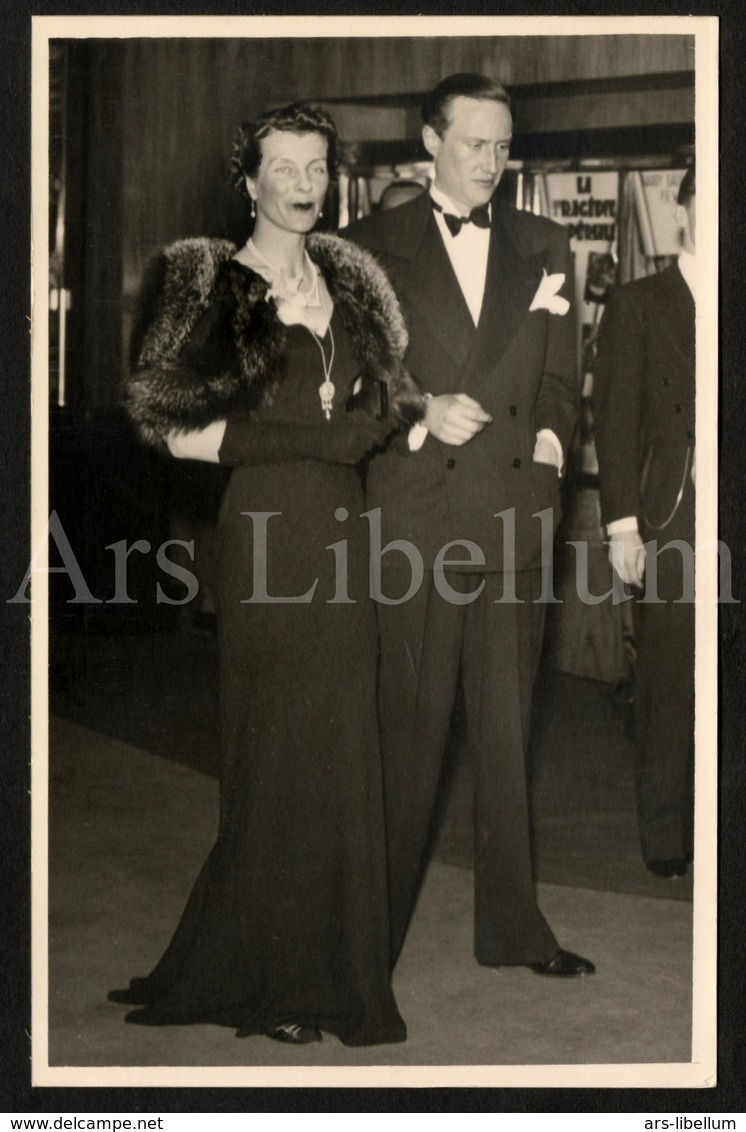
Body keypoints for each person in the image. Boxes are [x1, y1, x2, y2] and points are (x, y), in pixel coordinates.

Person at [108, 102, 425, 1046]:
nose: (302, 182)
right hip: (267, 536)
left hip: (345, 538)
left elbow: (387, 401)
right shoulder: (208, 283)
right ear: (247, 180)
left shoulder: (351, 280)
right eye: (282, 166)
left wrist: (400, 418)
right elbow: (168, 428)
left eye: (317, 166)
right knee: (278, 753)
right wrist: (314, 438)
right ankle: (278, 982)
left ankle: (336, 974)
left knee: (341, 757)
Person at [345, 73, 595, 976]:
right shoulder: (369, 248)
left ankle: (513, 929)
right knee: (407, 740)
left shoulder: (547, 243)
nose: (491, 163)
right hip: (420, 522)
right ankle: (366, 944)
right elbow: (353, 380)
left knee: (505, 737)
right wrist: (420, 410)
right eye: (473, 144)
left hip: (517, 522)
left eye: (503, 146)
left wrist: (553, 455)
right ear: (429, 142)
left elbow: (563, 382)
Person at [593, 164, 696, 879]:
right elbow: (616, 420)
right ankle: (666, 839)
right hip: (675, 519)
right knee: (667, 683)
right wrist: (622, 526)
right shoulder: (639, 304)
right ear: (684, 212)